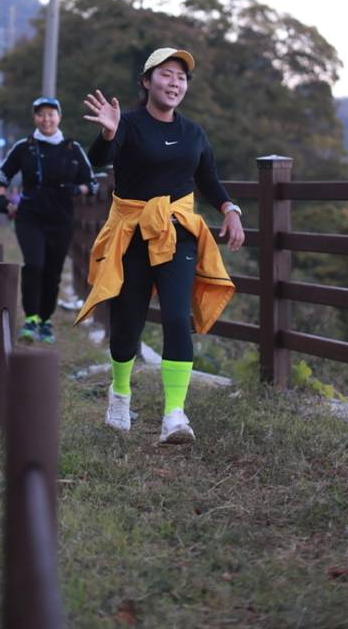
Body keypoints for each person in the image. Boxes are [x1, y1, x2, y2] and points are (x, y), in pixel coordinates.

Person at [77, 47, 244, 443]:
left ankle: (174, 415)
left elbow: (208, 178)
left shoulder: (193, 133)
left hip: (178, 232)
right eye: (166, 74)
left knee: (175, 317)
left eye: (181, 77)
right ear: (147, 81)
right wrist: (107, 133)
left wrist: (230, 208)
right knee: (128, 321)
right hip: (133, 231)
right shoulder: (126, 124)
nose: (175, 83)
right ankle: (120, 394)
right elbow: (96, 158)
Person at [0, 96, 99, 344]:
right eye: (41, 114)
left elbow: (92, 183)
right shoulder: (25, 147)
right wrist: (2, 199)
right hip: (29, 216)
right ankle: (31, 318)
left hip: (61, 220)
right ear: (35, 118)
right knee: (34, 265)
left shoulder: (72, 149)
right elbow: (2, 175)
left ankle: (45, 320)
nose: (46, 119)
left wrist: (78, 190)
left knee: (52, 272)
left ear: (59, 117)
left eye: (51, 114)